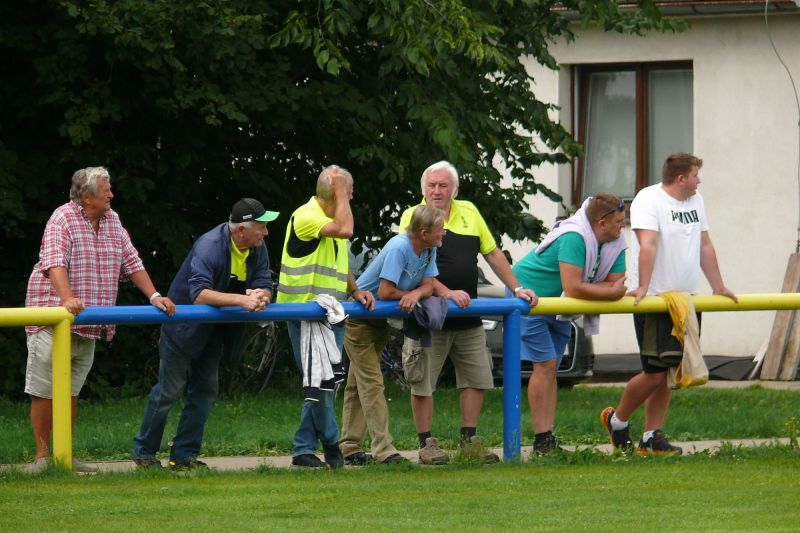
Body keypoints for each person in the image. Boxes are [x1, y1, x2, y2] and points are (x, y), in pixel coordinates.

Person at [25, 166, 176, 473]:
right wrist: (67, 298)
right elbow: (54, 262)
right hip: (54, 317)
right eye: (106, 189)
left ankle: (64, 455)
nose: (112, 194)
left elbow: (131, 261)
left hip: (89, 322)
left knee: (71, 391)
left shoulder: (113, 221)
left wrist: (154, 295)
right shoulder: (62, 218)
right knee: (45, 389)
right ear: (86, 196)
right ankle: (42, 458)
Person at [398, 161, 537, 464]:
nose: (436, 190)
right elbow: (410, 264)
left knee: (477, 377)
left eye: (443, 185)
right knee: (423, 380)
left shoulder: (470, 212)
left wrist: (517, 288)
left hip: (468, 313)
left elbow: (492, 253)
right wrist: (446, 293)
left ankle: (468, 440)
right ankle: (427, 444)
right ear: (424, 188)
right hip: (428, 315)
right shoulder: (413, 215)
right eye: (432, 185)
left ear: (454, 189)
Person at [601, 153, 737, 455]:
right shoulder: (648, 199)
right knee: (654, 371)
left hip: (685, 297)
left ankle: (652, 435)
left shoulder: (696, 200)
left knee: (671, 370)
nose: (698, 181)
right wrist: (644, 287)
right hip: (655, 299)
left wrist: (718, 286)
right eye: (695, 175)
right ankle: (618, 420)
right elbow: (647, 244)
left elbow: (704, 244)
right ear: (681, 179)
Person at [132, 198, 278, 469]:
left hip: (213, 333)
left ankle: (183, 457)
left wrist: (262, 295)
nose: (266, 232)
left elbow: (264, 282)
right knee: (169, 391)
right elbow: (199, 295)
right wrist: (242, 300)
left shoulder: (257, 246)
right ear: (241, 230)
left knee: (206, 391)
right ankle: (144, 454)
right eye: (262, 226)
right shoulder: (209, 245)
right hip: (183, 329)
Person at [512, 194, 627, 455]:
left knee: (550, 368)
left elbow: (618, 282)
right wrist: (606, 291)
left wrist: (603, 289)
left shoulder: (615, 240)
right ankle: (542, 439)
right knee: (546, 365)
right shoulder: (574, 237)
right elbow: (573, 287)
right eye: (619, 221)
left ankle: (546, 437)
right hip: (532, 300)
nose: (623, 225)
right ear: (601, 223)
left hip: (558, 308)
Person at [276, 165, 374, 469]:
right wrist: (342, 192)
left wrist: (355, 289)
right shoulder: (307, 216)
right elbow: (346, 230)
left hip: (330, 313)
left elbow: (337, 261)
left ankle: (303, 449)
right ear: (337, 193)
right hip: (306, 312)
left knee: (325, 383)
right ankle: (332, 444)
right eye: (349, 193)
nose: (351, 198)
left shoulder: (328, 220)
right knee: (320, 384)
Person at [340, 205, 445, 465]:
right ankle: (384, 450)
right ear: (423, 232)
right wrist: (408, 295)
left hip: (380, 321)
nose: (444, 233)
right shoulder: (400, 247)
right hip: (360, 320)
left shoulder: (429, 248)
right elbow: (386, 292)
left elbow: (430, 285)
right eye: (440, 229)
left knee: (358, 384)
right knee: (372, 383)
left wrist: (415, 294)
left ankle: (350, 447)